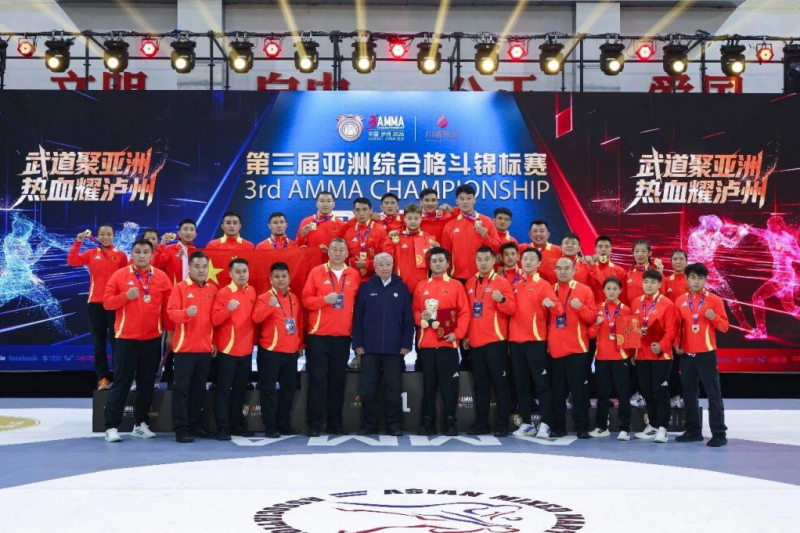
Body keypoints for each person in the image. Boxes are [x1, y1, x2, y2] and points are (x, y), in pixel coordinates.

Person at [102, 239, 173, 443]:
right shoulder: (120, 275)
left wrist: (170, 333)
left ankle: (140, 424)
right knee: (122, 382)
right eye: (137, 252)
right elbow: (107, 303)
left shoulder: (161, 277)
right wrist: (126, 296)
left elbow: (167, 309)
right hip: (126, 339)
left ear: (152, 255)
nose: (141, 255)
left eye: (145, 252)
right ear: (131, 254)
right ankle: (111, 427)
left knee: (146, 383)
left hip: (152, 339)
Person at [301, 238, 361, 436]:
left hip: (342, 337)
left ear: (347, 253)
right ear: (328, 252)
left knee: (337, 382)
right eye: (334, 249)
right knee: (317, 380)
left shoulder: (353, 274)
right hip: (318, 336)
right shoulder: (317, 272)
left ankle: (335, 423)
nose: (337, 253)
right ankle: (313, 424)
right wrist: (323, 300)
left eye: (341, 249)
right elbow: (306, 300)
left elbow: (357, 306)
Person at [352, 253, 414, 436]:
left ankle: (394, 425)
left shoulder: (402, 288)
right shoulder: (365, 288)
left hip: (394, 349)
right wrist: (358, 343)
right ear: (375, 268)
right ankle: (369, 425)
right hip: (369, 348)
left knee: (393, 389)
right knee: (368, 388)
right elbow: (357, 317)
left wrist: (406, 343)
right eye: (381, 265)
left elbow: (408, 319)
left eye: (388, 264)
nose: (385, 268)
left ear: (393, 266)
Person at [413, 247, 470, 436]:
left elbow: (464, 313)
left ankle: (450, 422)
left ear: (447, 263)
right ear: (429, 264)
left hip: (448, 344)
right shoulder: (421, 286)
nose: (437, 264)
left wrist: (457, 334)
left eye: (441, 260)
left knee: (449, 386)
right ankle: (427, 422)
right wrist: (420, 317)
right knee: (429, 386)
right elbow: (415, 310)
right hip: (427, 346)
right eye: (434, 261)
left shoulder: (456, 285)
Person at [463, 246, 517, 437]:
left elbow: (512, 309)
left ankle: (503, 424)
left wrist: (501, 300)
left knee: (501, 385)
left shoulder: (501, 282)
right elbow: (466, 312)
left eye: (487, 259)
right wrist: (466, 335)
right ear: (475, 261)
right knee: (481, 386)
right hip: (475, 343)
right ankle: (482, 423)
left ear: (493, 260)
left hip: (496, 342)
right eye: (479, 259)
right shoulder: (469, 283)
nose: (483, 262)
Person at [674, 263, 729, 447]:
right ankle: (693, 431)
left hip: (706, 354)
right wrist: (676, 343)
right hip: (686, 355)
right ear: (686, 279)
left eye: (700, 278)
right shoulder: (680, 300)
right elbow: (677, 327)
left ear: (705, 280)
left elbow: (724, 327)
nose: (696, 281)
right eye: (692, 277)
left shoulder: (715, 300)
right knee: (689, 394)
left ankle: (719, 433)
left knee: (713, 394)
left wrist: (714, 317)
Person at [67, 225, 128, 390]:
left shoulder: (121, 255)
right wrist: (78, 242)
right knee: (99, 343)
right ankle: (103, 378)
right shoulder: (91, 253)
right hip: (95, 304)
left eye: (109, 234)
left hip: (115, 304)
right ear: (98, 236)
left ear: (114, 236)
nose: (105, 237)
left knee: (117, 342)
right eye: (102, 234)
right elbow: (72, 261)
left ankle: (120, 377)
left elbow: (126, 277)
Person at [509, 247, 561, 439]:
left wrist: (552, 304)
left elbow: (559, 310)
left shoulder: (544, 285)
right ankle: (526, 424)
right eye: (525, 258)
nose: (528, 262)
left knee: (541, 385)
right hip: (516, 343)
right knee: (521, 385)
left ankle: (546, 424)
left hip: (536, 342)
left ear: (539, 263)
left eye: (532, 259)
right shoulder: (515, 286)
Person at [166, 251, 218, 443]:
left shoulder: (213, 289)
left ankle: (196, 425)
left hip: (205, 349)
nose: (201, 270)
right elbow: (171, 313)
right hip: (184, 349)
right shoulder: (180, 288)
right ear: (189, 268)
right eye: (197, 266)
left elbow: (215, 320)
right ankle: (181, 428)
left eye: (204, 267)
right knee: (181, 389)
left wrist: (214, 342)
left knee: (198, 390)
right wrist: (186, 313)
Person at [252, 262, 304, 438]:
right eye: (277, 277)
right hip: (270, 352)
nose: (280, 279)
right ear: (271, 279)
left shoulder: (294, 298)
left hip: (290, 352)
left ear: (289, 278)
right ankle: (270, 426)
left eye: (283, 276)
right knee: (268, 390)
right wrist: (269, 305)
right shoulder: (264, 297)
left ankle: (283, 423)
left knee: (288, 390)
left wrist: (300, 345)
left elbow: (298, 323)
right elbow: (256, 318)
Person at [548, 257, 596, 439]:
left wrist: (581, 307)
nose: (562, 271)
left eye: (566, 268)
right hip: (555, 350)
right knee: (557, 393)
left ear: (574, 270)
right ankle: (558, 427)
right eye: (559, 268)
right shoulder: (549, 290)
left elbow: (592, 317)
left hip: (577, 350)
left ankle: (582, 427)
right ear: (554, 270)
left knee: (579, 392)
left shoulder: (584, 290)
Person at [210, 258, 257, 441]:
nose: (242, 275)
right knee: (223, 390)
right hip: (227, 351)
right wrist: (227, 310)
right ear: (230, 274)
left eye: (245, 271)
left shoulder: (252, 291)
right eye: (237, 272)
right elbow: (214, 320)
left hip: (246, 351)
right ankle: (222, 427)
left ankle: (236, 424)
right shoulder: (223, 293)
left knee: (239, 390)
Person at [632, 269, 677, 444]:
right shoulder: (636, 302)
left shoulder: (667, 304)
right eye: (646, 282)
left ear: (659, 284)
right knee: (647, 392)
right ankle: (652, 425)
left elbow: (671, 330)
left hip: (661, 356)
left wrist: (661, 345)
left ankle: (663, 429)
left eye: (652, 282)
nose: (649, 285)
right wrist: (633, 351)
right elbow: (631, 328)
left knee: (660, 393)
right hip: (642, 355)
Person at [587, 277, 633, 441]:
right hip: (601, 358)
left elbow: (630, 339)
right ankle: (601, 427)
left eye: (615, 289)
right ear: (603, 290)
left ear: (620, 291)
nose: (611, 292)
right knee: (603, 394)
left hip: (621, 357)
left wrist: (631, 356)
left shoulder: (626, 310)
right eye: (608, 288)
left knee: (623, 394)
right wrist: (597, 324)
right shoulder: (597, 309)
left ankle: (625, 429)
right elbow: (590, 334)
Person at [625, 239, 663, 408]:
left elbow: (661, 296)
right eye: (636, 251)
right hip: (629, 322)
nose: (639, 254)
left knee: (650, 359)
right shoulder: (627, 274)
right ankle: (634, 393)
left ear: (650, 253)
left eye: (643, 251)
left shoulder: (655, 273)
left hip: (651, 321)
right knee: (631, 360)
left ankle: (650, 395)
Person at [441, 184, 501, 282]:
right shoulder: (449, 225)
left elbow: (497, 248)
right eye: (462, 199)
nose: (465, 202)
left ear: (474, 200)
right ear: (456, 201)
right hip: (457, 277)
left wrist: (486, 237)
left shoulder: (486, 221)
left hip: (483, 276)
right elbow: (445, 255)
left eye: (469, 198)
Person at [383, 203, 434, 295]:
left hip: (422, 286)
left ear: (421, 219)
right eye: (410, 218)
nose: (413, 221)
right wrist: (389, 239)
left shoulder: (427, 238)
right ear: (404, 219)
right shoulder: (397, 237)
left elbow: (432, 263)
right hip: (401, 285)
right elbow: (387, 257)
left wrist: (436, 250)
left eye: (416, 218)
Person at [663, 248, 689, 408]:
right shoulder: (666, 281)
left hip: (690, 331)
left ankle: (689, 397)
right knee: (672, 367)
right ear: (671, 262)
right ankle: (674, 396)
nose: (678, 262)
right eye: (675, 259)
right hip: (671, 330)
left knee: (689, 368)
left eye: (681, 259)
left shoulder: (692, 281)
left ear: (686, 261)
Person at [344, 197, 388, 281]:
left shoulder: (380, 230)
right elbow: (345, 257)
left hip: (375, 278)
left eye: (364, 209)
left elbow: (385, 257)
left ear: (371, 211)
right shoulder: (349, 232)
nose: (361, 213)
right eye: (358, 210)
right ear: (353, 212)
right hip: (353, 278)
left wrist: (367, 264)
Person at [296, 191, 346, 257]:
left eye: (328, 201)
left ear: (333, 204)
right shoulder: (306, 222)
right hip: (310, 262)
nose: (325, 204)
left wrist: (330, 252)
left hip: (331, 262)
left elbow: (345, 251)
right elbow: (297, 248)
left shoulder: (341, 225)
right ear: (317, 204)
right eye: (322, 201)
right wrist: (302, 237)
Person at [153, 219, 197, 285]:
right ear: (179, 233)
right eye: (185, 229)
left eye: (192, 230)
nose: (188, 232)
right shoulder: (169, 250)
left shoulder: (197, 253)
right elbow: (155, 267)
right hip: (173, 290)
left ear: (195, 234)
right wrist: (162, 245)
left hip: (192, 290)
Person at [586, 236, 627, 305]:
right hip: (593, 309)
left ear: (611, 249)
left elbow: (623, 296)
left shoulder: (620, 271)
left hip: (613, 309)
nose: (603, 249)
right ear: (595, 249)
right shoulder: (588, 268)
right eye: (600, 247)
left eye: (606, 247)